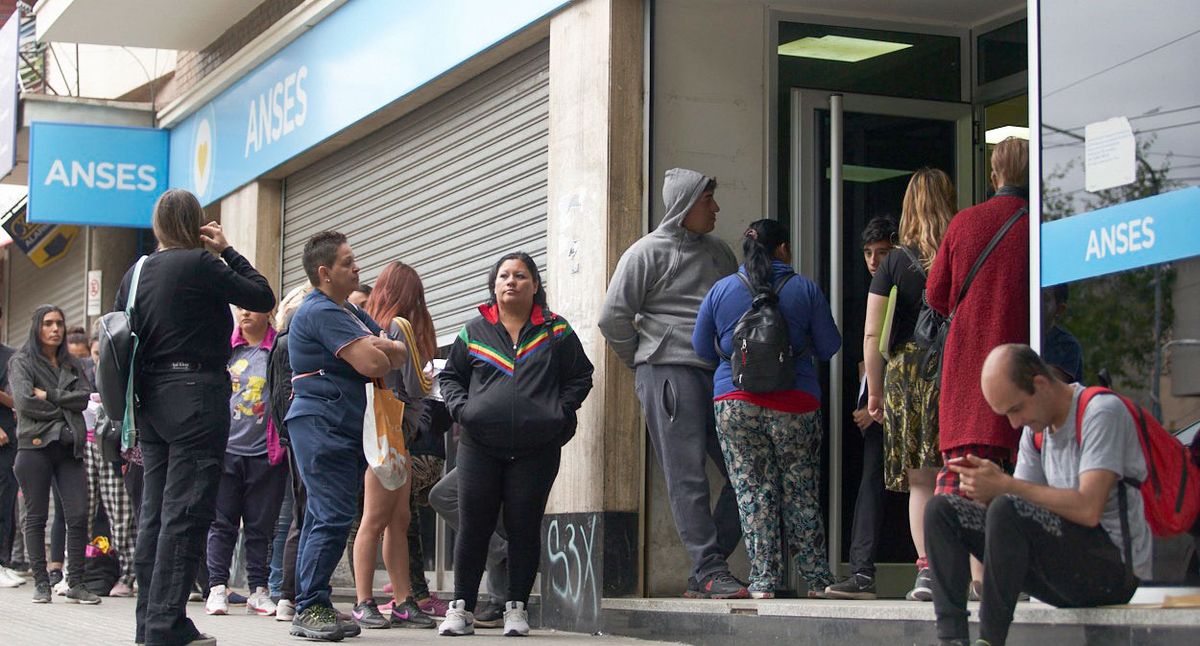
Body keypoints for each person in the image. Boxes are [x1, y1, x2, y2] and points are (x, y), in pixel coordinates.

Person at [116, 189, 275, 646]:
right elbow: (261, 295)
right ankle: (168, 625)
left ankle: (149, 623)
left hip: (149, 402)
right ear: (195, 223)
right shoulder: (201, 264)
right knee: (185, 514)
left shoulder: (137, 271)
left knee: (154, 514)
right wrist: (226, 249)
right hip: (197, 398)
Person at [925, 344, 1146, 646]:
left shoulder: (1101, 412)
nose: (1014, 424)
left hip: (1112, 572)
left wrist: (1004, 487)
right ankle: (952, 640)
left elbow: (1088, 507)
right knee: (942, 510)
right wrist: (983, 489)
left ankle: (990, 641)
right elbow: (1017, 511)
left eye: (1016, 409)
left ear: (1040, 384)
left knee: (1005, 505)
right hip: (1063, 568)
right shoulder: (1036, 431)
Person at [598, 168, 744, 598]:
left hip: (719, 374)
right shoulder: (645, 252)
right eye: (707, 201)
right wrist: (644, 361)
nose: (715, 208)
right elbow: (612, 318)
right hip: (667, 372)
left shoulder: (720, 253)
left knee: (746, 473)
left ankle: (707, 567)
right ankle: (710, 568)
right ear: (684, 204)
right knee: (687, 477)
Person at [437, 252, 593, 637]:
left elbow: (581, 376)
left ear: (535, 285)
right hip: (479, 445)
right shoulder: (473, 331)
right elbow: (451, 378)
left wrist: (558, 412)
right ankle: (461, 609)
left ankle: (516, 609)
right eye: (504, 276)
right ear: (494, 285)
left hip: (536, 448)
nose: (511, 282)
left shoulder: (557, 331)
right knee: (475, 526)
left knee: (524, 527)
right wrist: (464, 410)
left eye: (520, 276)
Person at [692, 219, 841, 599]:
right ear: (784, 250)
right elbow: (829, 346)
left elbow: (702, 350)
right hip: (796, 403)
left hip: (736, 404)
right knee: (801, 490)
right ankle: (818, 579)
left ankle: (762, 581)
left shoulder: (722, 291)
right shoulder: (804, 289)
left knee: (752, 492)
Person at [285, 231, 407, 641]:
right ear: (324, 272)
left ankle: (313, 601)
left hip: (343, 424)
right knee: (331, 513)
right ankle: (309, 607)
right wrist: (378, 349)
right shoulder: (320, 310)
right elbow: (375, 359)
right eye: (347, 262)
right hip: (322, 423)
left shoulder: (348, 313)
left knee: (326, 514)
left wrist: (380, 347)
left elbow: (400, 352)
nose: (357, 268)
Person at [925, 139, 1029, 595]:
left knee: (965, 477)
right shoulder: (1039, 225)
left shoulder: (965, 222)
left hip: (969, 363)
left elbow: (935, 294)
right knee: (1020, 471)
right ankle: (1007, 579)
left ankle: (976, 580)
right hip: (1025, 364)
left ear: (993, 176)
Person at [860, 169, 957, 601]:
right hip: (953, 368)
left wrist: (875, 392)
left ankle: (927, 572)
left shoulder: (896, 261)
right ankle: (967, 564)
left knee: (921, 479)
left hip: (906, 372)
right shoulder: (960, 251)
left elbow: (871, 334)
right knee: (956, 470)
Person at [349, 261, 437, 630]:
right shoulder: (397, 327)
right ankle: (365, 601)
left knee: (395, 519)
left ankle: (402, 600)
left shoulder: (369, 326)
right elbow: (415, 387)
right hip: (387, 431)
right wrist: (429, 380)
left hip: (386, 430)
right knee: (378, 519)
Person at [826, 215, 897, 600]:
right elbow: (865, 355)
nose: (873, 261)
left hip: (903, 395)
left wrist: (876, 400)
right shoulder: (869, 292)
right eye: (868, 253)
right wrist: (867, 399)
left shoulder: (905, 284)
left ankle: (938, 569)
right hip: (877, 399)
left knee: (926, 482)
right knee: (872, 481)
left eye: (881, 253)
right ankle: (862, 573)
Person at [8, 305, 99, 605]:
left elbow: (84, 398)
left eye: (59, 323)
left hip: (68, 447)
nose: (55, 329)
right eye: (48, 323)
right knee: (35, 517)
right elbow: (23, 401)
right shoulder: (21, 361)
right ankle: (42, 583)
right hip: (34, 446)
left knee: (77, 513)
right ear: (37, 327)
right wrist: (63, 410)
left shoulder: (72, 364)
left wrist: (50, 396)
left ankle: (76, 582)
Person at [204, 306, 289, 618]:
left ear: (269, 312)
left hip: (265, 453)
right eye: (241, 308)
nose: (245, 313)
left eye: (253, 307)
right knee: (221, 523)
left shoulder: (278, 348)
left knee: (260, 527)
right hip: (226, 449)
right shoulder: (225, 348)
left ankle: (258, 590)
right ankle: (217, 588)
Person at [264, 284, 311, 623]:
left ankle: (289, 595)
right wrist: (291, 436)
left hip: (297, 438)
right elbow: (283, 395)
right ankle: (293, 595)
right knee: (305, 516)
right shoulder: (290, 342)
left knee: (301, 516)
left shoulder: (284, 341)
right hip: (304, 438)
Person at [0, 327, 22, 588]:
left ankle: (4, 561)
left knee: (6, 499)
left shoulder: (10, 356)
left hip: (9, 439)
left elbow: (18, 398)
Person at [1040, 285, 1083, 384]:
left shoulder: (1066, 344)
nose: (1036, 304)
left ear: (1059, 309)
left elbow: (1049, 384)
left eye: (1044, 299)